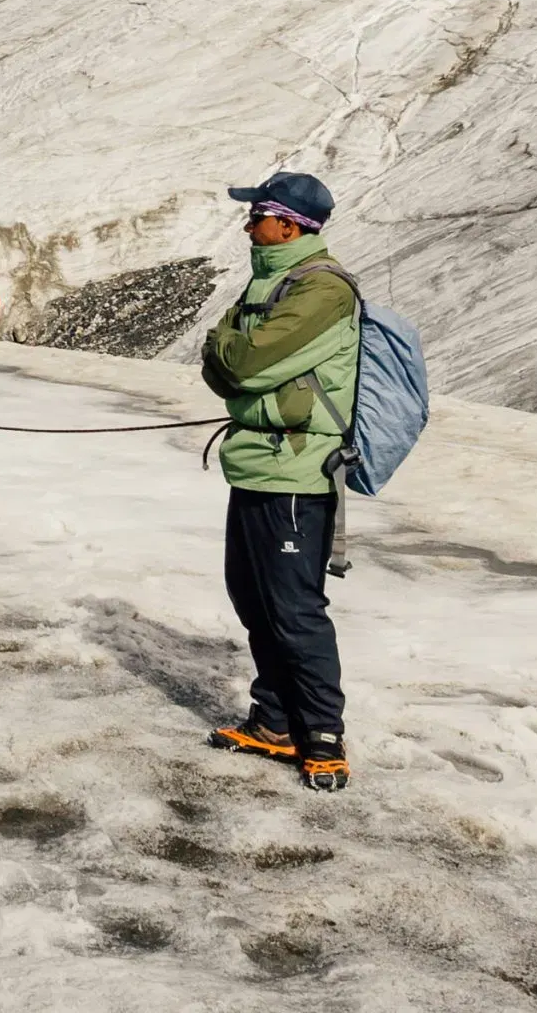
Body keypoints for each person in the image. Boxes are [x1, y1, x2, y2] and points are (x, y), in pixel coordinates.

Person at [199, 170, 359, 794]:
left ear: (288, 224)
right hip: (258, 463)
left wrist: (228, 346)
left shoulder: (322, 291)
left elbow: (238, 361)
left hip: (296, 468)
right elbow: (227, 371)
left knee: (294, 608)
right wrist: (229, 352)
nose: (247, 226)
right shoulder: (274, 279)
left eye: (256, 215)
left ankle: (321, 734)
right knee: (253, 596)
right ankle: (273, 721)